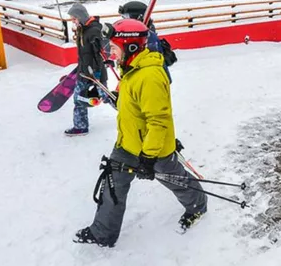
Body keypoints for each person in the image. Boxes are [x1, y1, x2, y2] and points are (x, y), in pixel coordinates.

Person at [74, 19, 207, 247]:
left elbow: (158, 120)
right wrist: (113, 99)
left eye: (114, 48)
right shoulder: (131, 70)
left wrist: (149, 157)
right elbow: (132, 104)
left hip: (153, 148)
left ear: (131, 47)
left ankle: (198, 205)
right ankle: (102, 233)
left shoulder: (150, 76)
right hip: (128, 143)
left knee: (174, 179)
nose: (111, 53)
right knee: (113, 184)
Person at [65, 3, 110, 137]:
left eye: (74, 18)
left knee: (106, 97)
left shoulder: (93, 31)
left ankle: (129, 112)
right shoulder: (83, 29)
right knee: (78, 99)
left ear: (80, 16)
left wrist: (96, 73)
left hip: (94, 73)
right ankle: (80, 127)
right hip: (84, 72)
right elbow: (84, 54)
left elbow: (100, 54)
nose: (73, 21)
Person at [118, 1, 175, 82]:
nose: (124, 21)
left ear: (137, 17)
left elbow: (142, 62)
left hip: (152, 80)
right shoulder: (139, 33)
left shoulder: (146, 36)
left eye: (126, 17)